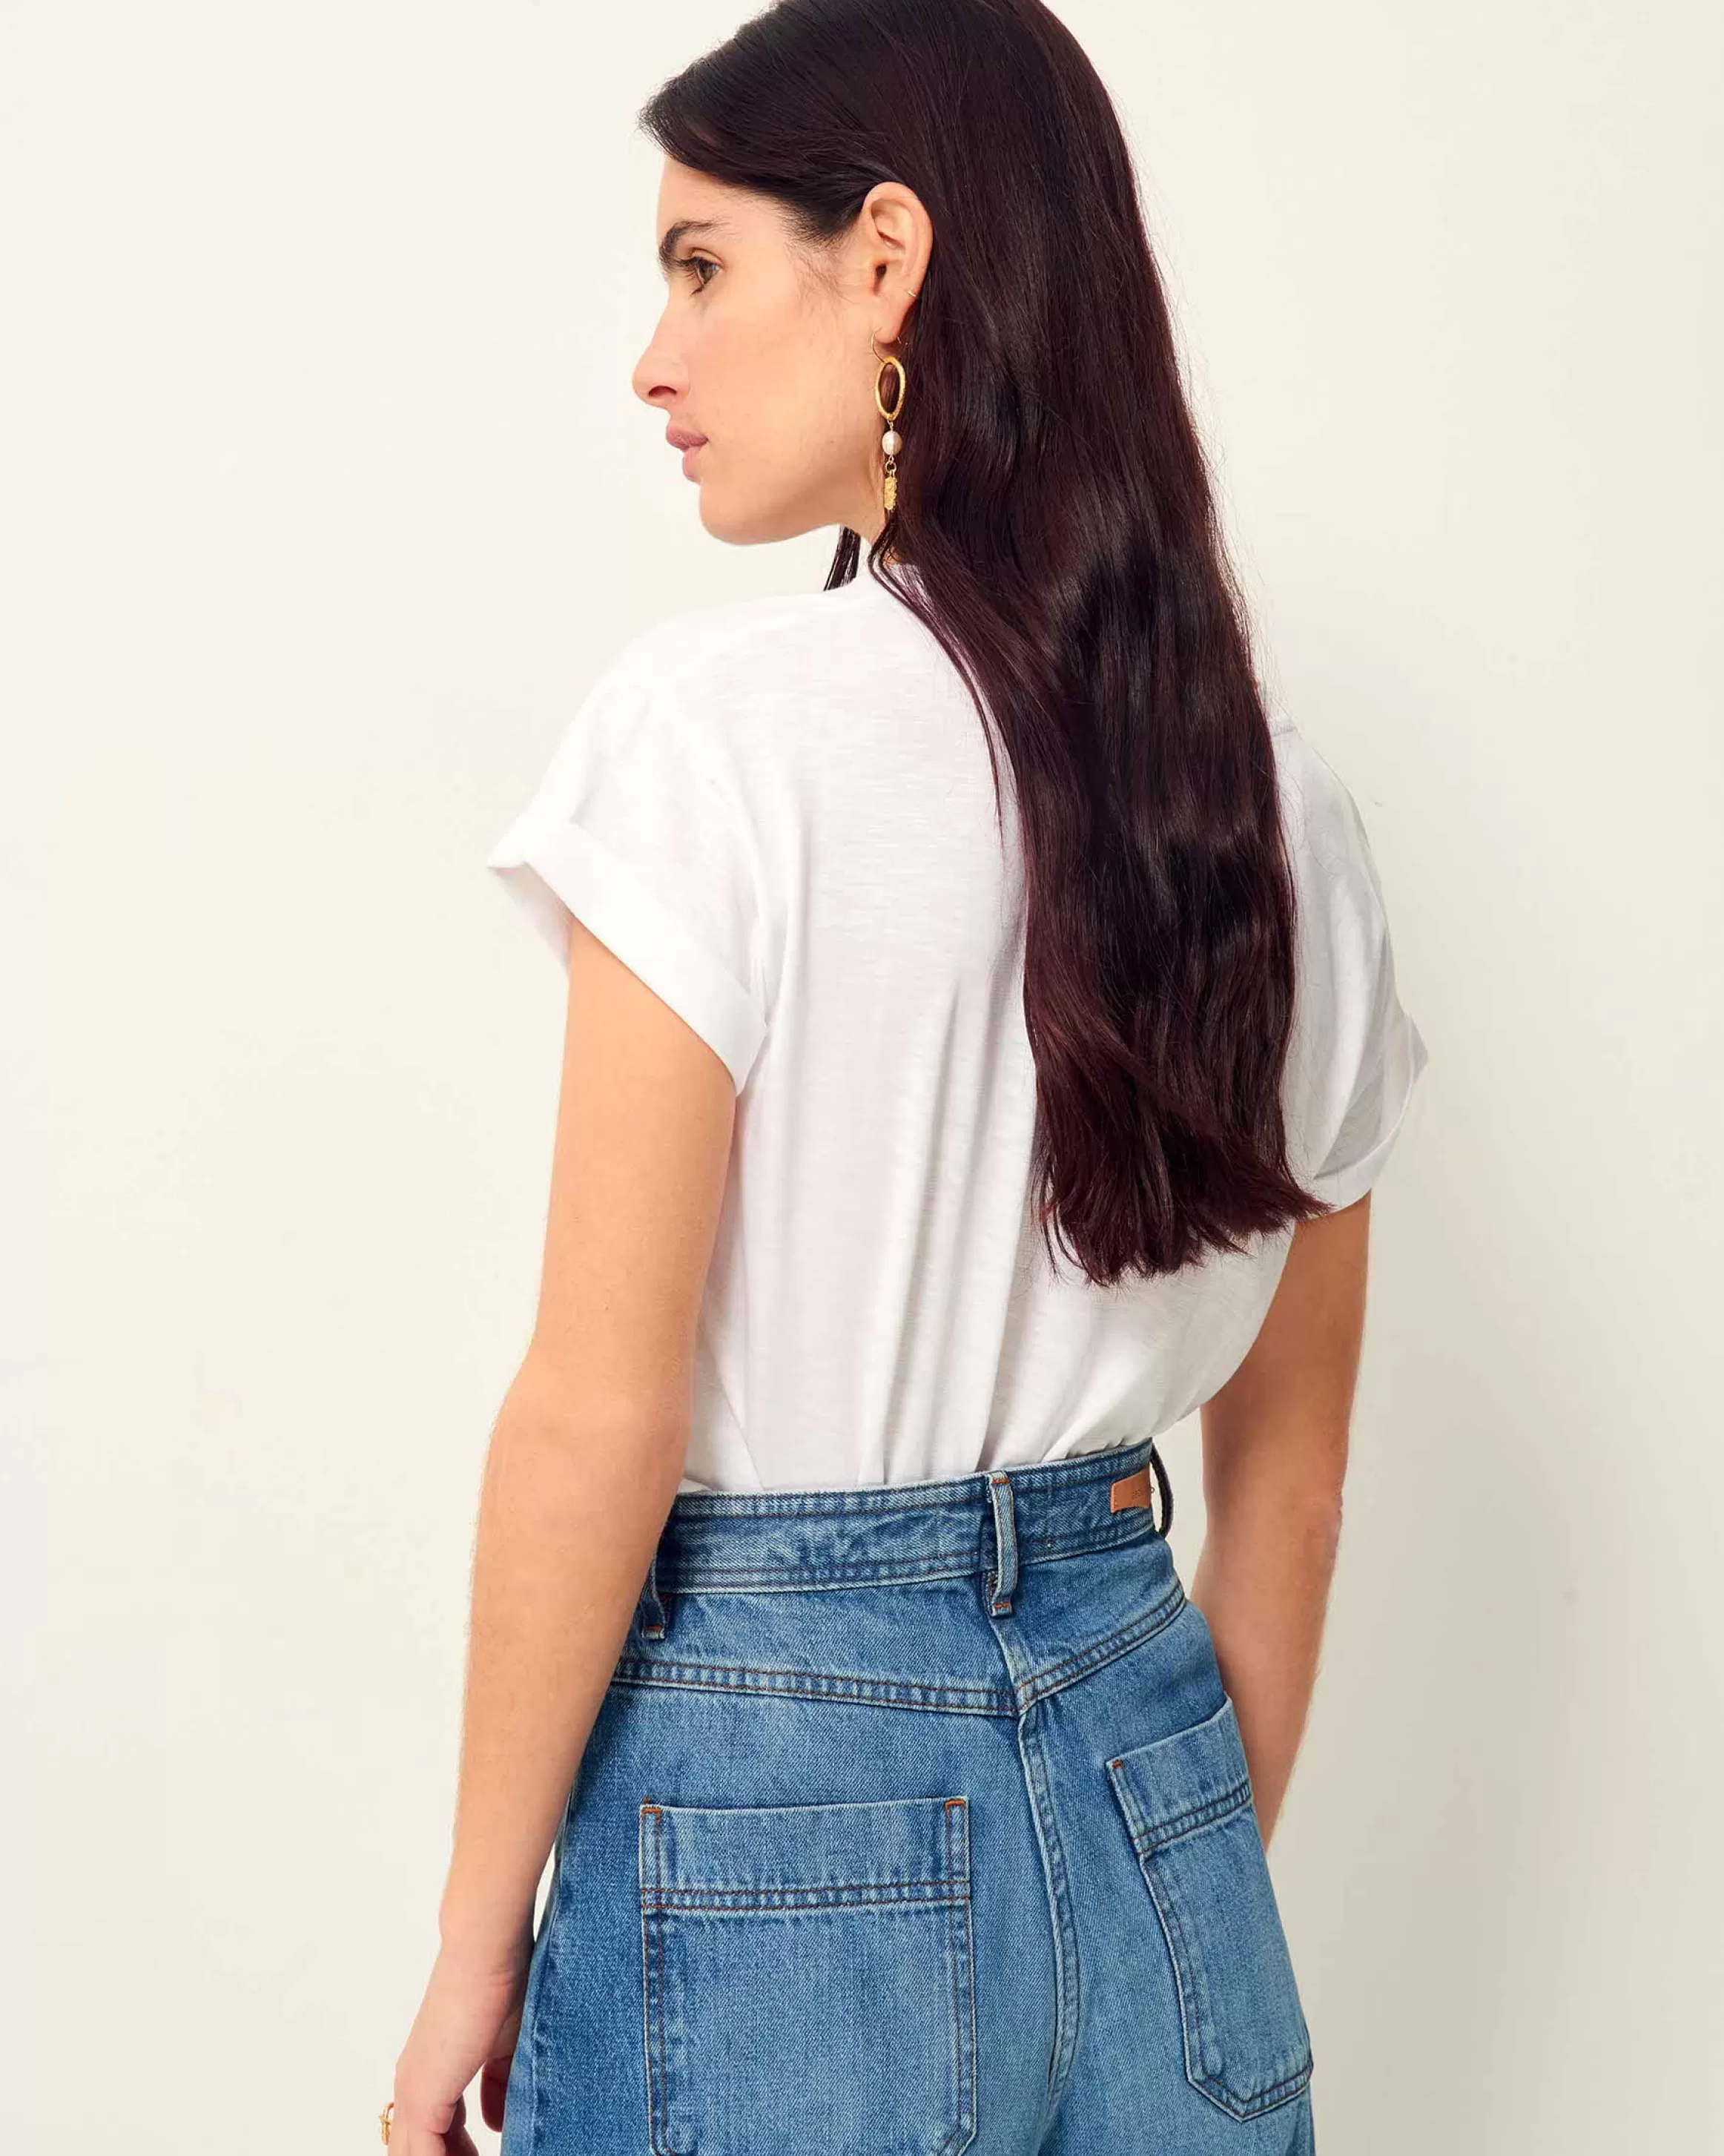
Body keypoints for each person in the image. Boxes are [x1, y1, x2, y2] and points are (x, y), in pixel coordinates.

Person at [384, 1, 1429, 2150]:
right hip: (1158, 1800)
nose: (653, 362)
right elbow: (1296, 1477)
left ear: (884, 260)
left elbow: (596, 1412)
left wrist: (476, 1941)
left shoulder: (717, 739)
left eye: (700, 267)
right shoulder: (1274, 812)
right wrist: (1158, 1864)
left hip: (779, 1818)